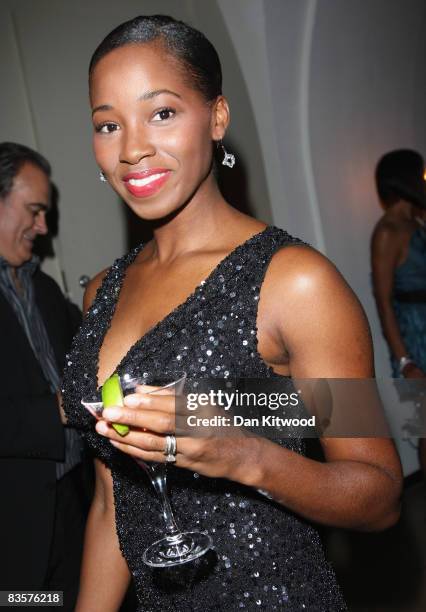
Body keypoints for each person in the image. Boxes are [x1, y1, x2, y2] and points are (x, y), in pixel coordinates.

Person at [62, 16, 402, 612]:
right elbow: (112, 502)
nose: (132, 147)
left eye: (161, 113)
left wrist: (243, 454)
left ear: (217, 117)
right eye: (108, 124)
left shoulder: (295, 282)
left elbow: (379, 497)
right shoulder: (101, 295)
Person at [0, 142, 88, 610]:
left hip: (74, 503)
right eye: (34, 211)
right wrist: (57, 407)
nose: (44, 227)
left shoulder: (43, 286)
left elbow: (92, 353)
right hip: (15, 534)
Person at [371, 149, 426, 475]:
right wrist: (405, 361)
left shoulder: (416, 221)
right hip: (416, 340)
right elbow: (383, 299)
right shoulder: (388, 231)